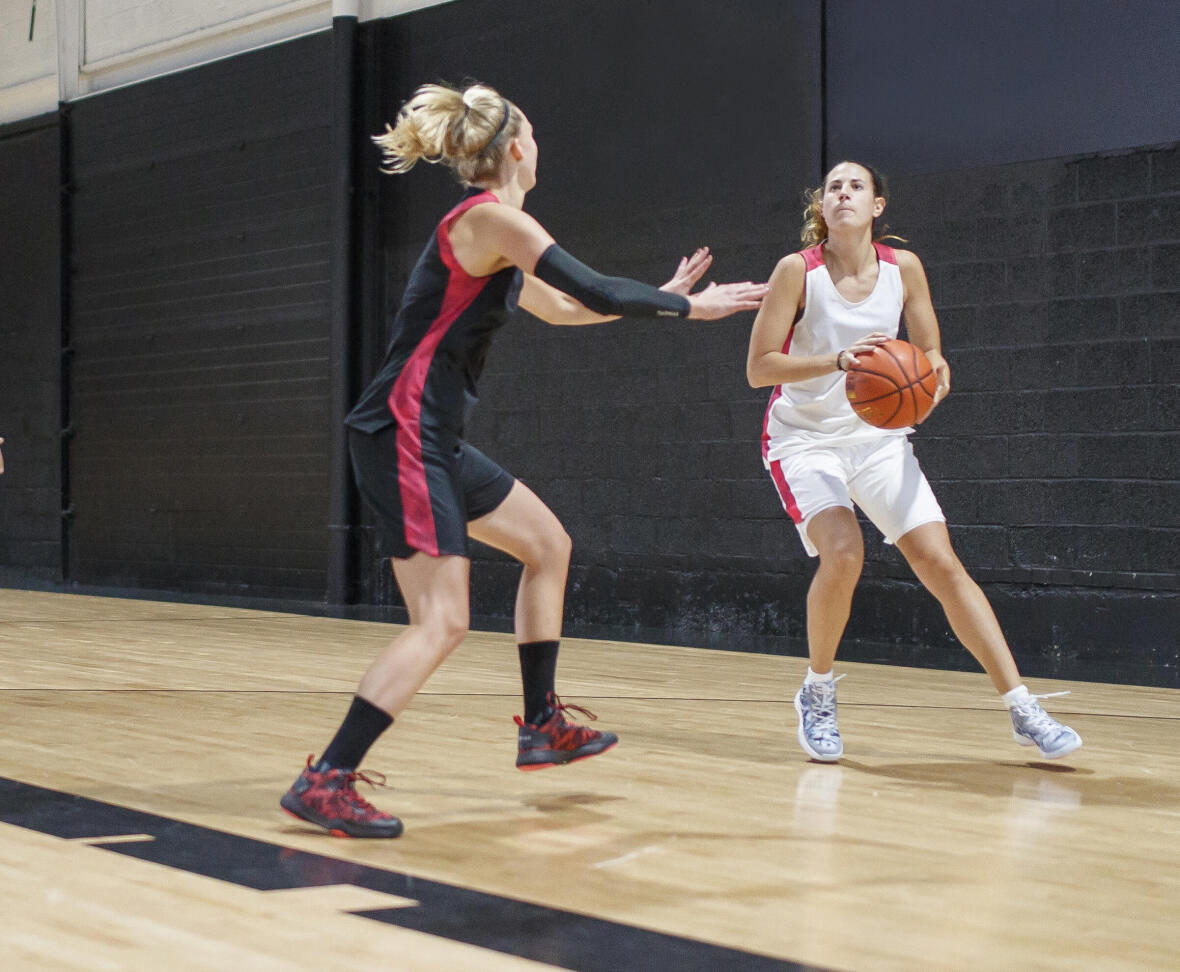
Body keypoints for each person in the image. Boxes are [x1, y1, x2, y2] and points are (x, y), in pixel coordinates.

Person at [280, 82, 768, 837]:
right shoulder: (490, 220)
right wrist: (687, 308)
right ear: (514, 148)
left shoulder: (498, 235)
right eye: (534, 135)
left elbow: (571, 306)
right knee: (443, 622)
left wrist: (659, 295)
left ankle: (541, 724)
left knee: (548, 546)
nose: (539, 147)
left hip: (429, 437)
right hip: (401, 430)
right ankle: (328, 778)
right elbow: (594, 286)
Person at [746, 160, 1081, 764]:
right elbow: (759, 367)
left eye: (856, 186)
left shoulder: (905, 269)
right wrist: (837, 361)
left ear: (877, 207)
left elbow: (931, 354)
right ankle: (817, 691)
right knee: (844, 553)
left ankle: (1022, 707)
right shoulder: (797, 271)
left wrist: (933, 380)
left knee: (940, 562)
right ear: (821, 207)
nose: (843, 193)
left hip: (876, 440)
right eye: (833, 187)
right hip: (803, 439)